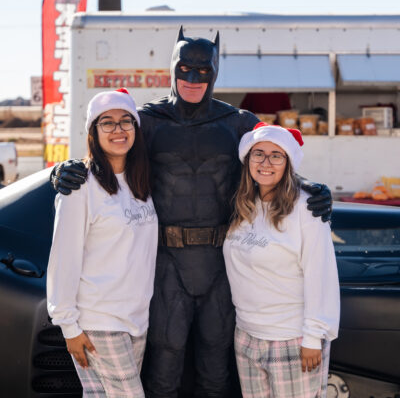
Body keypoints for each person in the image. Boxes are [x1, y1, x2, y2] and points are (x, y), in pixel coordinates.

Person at [51, 28, 333, 398]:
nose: (193, 78)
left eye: (204, 70)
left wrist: (312, 187)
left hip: (220, 260)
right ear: (173, 68)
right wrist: (62, 171)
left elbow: (272, 159)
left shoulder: (238, 122)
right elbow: (108, 154)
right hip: (166, 261)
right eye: (185, 68)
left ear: (215, 72)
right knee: (164, 362)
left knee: (216, 364)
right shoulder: (147, 121)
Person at [47, 88, 158, 397]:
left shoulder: (141, 184)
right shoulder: (81, 186)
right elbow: (63, 259)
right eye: (106, 122)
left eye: (126, 121)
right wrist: (68, 326)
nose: (118, 129)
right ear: (93, 131)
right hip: (99, 321)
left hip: (136, 320)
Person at [223, 122, 340, 398]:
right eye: (258, 153)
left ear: (288, 163)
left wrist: (314, 337)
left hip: (292, 338)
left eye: (276, 155)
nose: (266, 162)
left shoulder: (306, 209)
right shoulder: (243, 207)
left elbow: (320, 274)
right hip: (247, 336)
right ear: (247, 159)